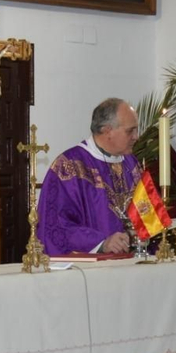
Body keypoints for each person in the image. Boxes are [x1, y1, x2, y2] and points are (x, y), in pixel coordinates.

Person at [35, 97, 142, 255]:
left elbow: (146, 215)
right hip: (90, 271)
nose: (136, 136)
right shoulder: (69, 167)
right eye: (130, 131)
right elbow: (55, 225)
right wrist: (101, 243)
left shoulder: (132, 165)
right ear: (107, 131)